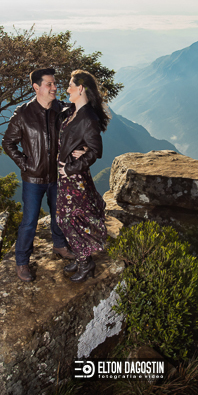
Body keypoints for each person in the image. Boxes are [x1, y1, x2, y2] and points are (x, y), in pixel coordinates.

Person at [2, 68, 77, 282]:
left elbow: (79, 121)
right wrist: (24, 164)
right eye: (49, 84)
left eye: (55, 83)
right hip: (33, 179)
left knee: (59, 214)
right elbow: (8, 143)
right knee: (29, 221)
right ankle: (22, 262)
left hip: (57, 175)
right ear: (36, 87)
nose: (54, 87)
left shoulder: (61, 109)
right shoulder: (23, 114)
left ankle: (60, 245)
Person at [57, 69, 111, 282]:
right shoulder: (73, 110)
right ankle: (82, 258)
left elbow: (96, 150)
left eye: (70, 85)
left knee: (70, 219)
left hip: (74, 177)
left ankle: (86, 263)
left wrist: (70, 168)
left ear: (80, 88)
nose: (67, 89)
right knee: (67, 219)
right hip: (66, 176)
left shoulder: (88, 117)